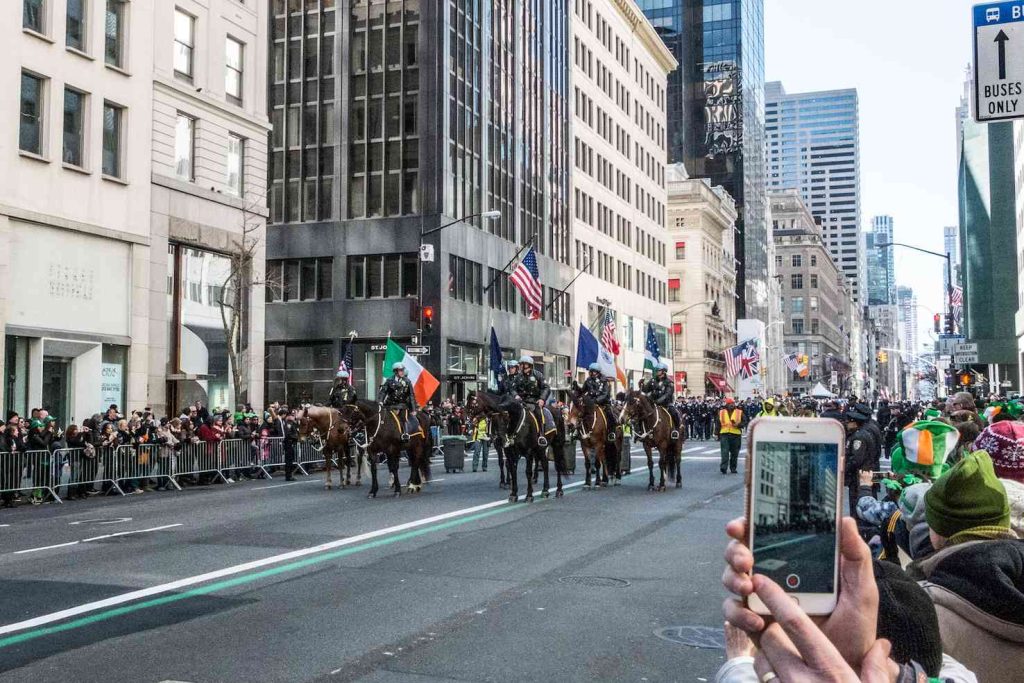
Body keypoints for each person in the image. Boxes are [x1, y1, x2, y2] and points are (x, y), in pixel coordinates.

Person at [508, 355, 554, 447]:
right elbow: (512, 388)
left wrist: (542, 399)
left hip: (534, 402)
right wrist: (516, 395)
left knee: (539, 413)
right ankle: (509, 435)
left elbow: (546, 388)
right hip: (521, 402)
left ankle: (541, 435)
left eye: (524, 365)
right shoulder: (518, 377)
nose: (522, 367)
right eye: (521, 365)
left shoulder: (538, 375)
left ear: (529, 366)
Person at [379, 362, 417, 442]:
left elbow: (411, 395)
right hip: (390, 405)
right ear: (396, 372)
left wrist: (413, 409)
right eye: (400, 370)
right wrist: (381, 401)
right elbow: (383, 392)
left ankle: (405, 434)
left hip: (402, 405)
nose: (402, 372)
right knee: (382, 419)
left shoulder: (407, 381)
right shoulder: (389, 380)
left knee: (403, 418)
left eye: (403, 370)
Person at [641, 362, 680, 440]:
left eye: (658, 370)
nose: (657, 371)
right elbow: (645, 390)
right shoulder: (652, 381)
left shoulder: (669, 382)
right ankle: (641, 431)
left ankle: (676, 430)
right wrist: (643, 384)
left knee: (674, 413)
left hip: (666, 404)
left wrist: (658, 401)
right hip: (653, 404)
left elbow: (667, 394)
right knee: (641, 413)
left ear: (663, 371)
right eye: (657, 370)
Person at [581, 363, 617, 442]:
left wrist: (596, 401)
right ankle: (579, 431)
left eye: (593, 372)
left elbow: (605, 394)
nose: (591, 373)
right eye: (590, 372)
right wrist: (576, 387)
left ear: (597, 372)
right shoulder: (588, 381)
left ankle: (611, 432)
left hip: (603, 403)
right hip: (591, 403)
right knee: (581, 414)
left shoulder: (604, 381)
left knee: (610, 415)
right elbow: (583, 391)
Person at [718, 398, 743, 475]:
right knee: (724, 452)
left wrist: (738, 425)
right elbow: (718, 422)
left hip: (736, 435)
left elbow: (745, 421)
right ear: (727, 404)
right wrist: (716, 433)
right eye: (730, 403)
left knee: (734, 453)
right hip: (724, 434)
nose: (731, 405)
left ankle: (733, 468)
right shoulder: (721, 412)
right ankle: (723, 468)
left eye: (732, 403)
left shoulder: (739, 412)